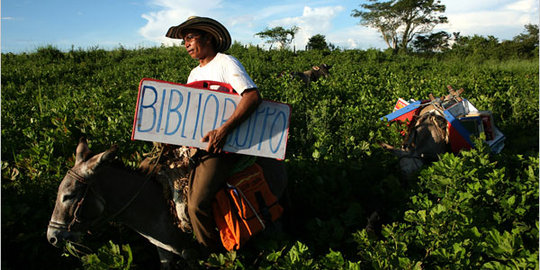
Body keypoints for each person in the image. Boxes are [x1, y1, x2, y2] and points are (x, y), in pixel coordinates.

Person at [165, 16, 262, 251]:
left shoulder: (226, 63)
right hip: (198, 144)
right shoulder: (193, 74)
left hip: (223, 146)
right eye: (184, 41)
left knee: (196, 204)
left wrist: (223, 130)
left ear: (208, 37)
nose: (186, 44)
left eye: (190, 38)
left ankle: (212, 254)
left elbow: (251, 96)